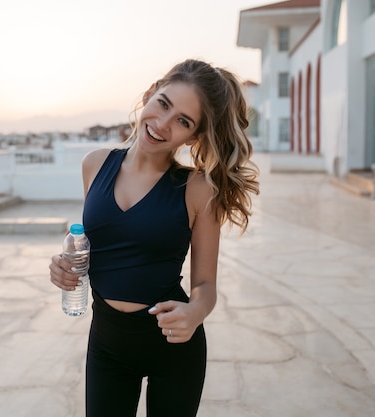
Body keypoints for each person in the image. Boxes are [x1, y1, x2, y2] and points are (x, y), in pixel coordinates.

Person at [49, 58, 259, 417]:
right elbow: (103, 248)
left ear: (193, 136)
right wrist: (66, 267)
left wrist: (195, 311)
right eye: (163, 103)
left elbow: (206, 284)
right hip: (106, 344)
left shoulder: (197, 189)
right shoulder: (95, 164)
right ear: (149, 94)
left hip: (173, 349)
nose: (162, 124)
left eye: (183, 121)